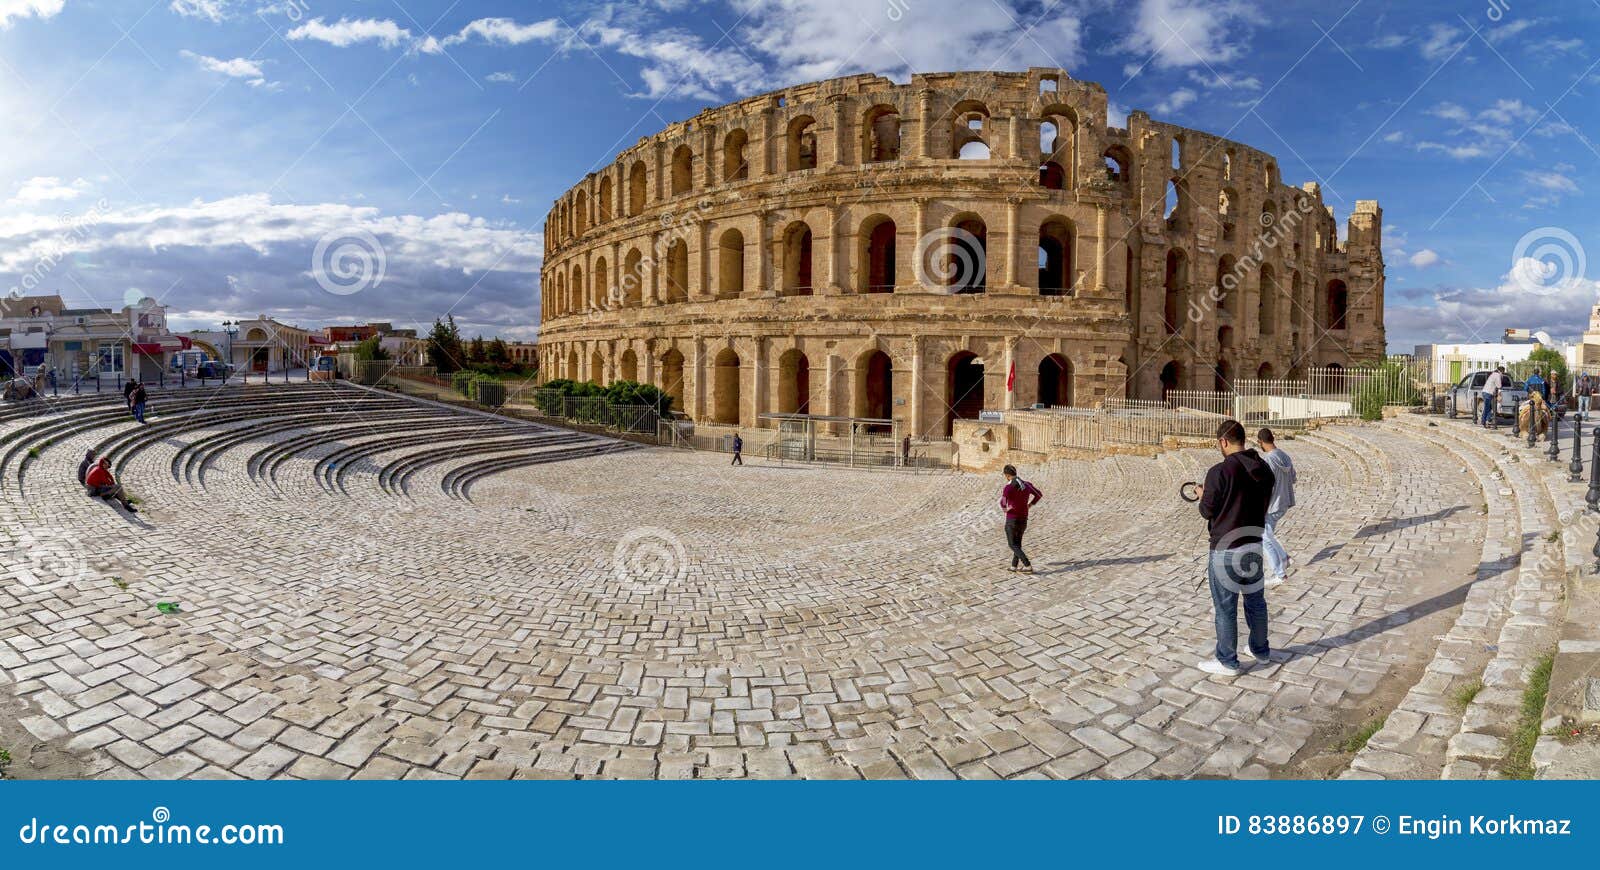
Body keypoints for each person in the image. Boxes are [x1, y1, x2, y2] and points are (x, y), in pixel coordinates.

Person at [1195, 420, 1275, 677]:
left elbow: (1207, 510)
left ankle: (1227, 660)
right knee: (1256, 601)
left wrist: (1202, 494)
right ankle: (1261, 651)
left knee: (1225, 607)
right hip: (1253, 543)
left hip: (1226, 549)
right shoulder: (1264, 468)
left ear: (1223, 442)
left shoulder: (1219, 472)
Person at [1257, 428, 1295, 589]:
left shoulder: (1268, 460)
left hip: (1273, 505)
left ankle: (1280, 574)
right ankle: (1285, 558)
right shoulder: (1285, 456)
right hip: (1285, 501)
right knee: (1268, 534)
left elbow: (1265, 485)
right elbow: (1293, 478)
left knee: (1265, 538)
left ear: (1261, 442)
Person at [999, 464, 1043, 573]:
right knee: (1018, 543)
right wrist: (1030, 504)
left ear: (1007, 475)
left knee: (1012, 544)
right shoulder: (1027, 485)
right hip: (1023, 519)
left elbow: (1003, 502)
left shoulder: (1008, 488)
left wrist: (1005, 508)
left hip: (1012, 519)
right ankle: (1014, 566)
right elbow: (1038, 494)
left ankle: (1027, 565)